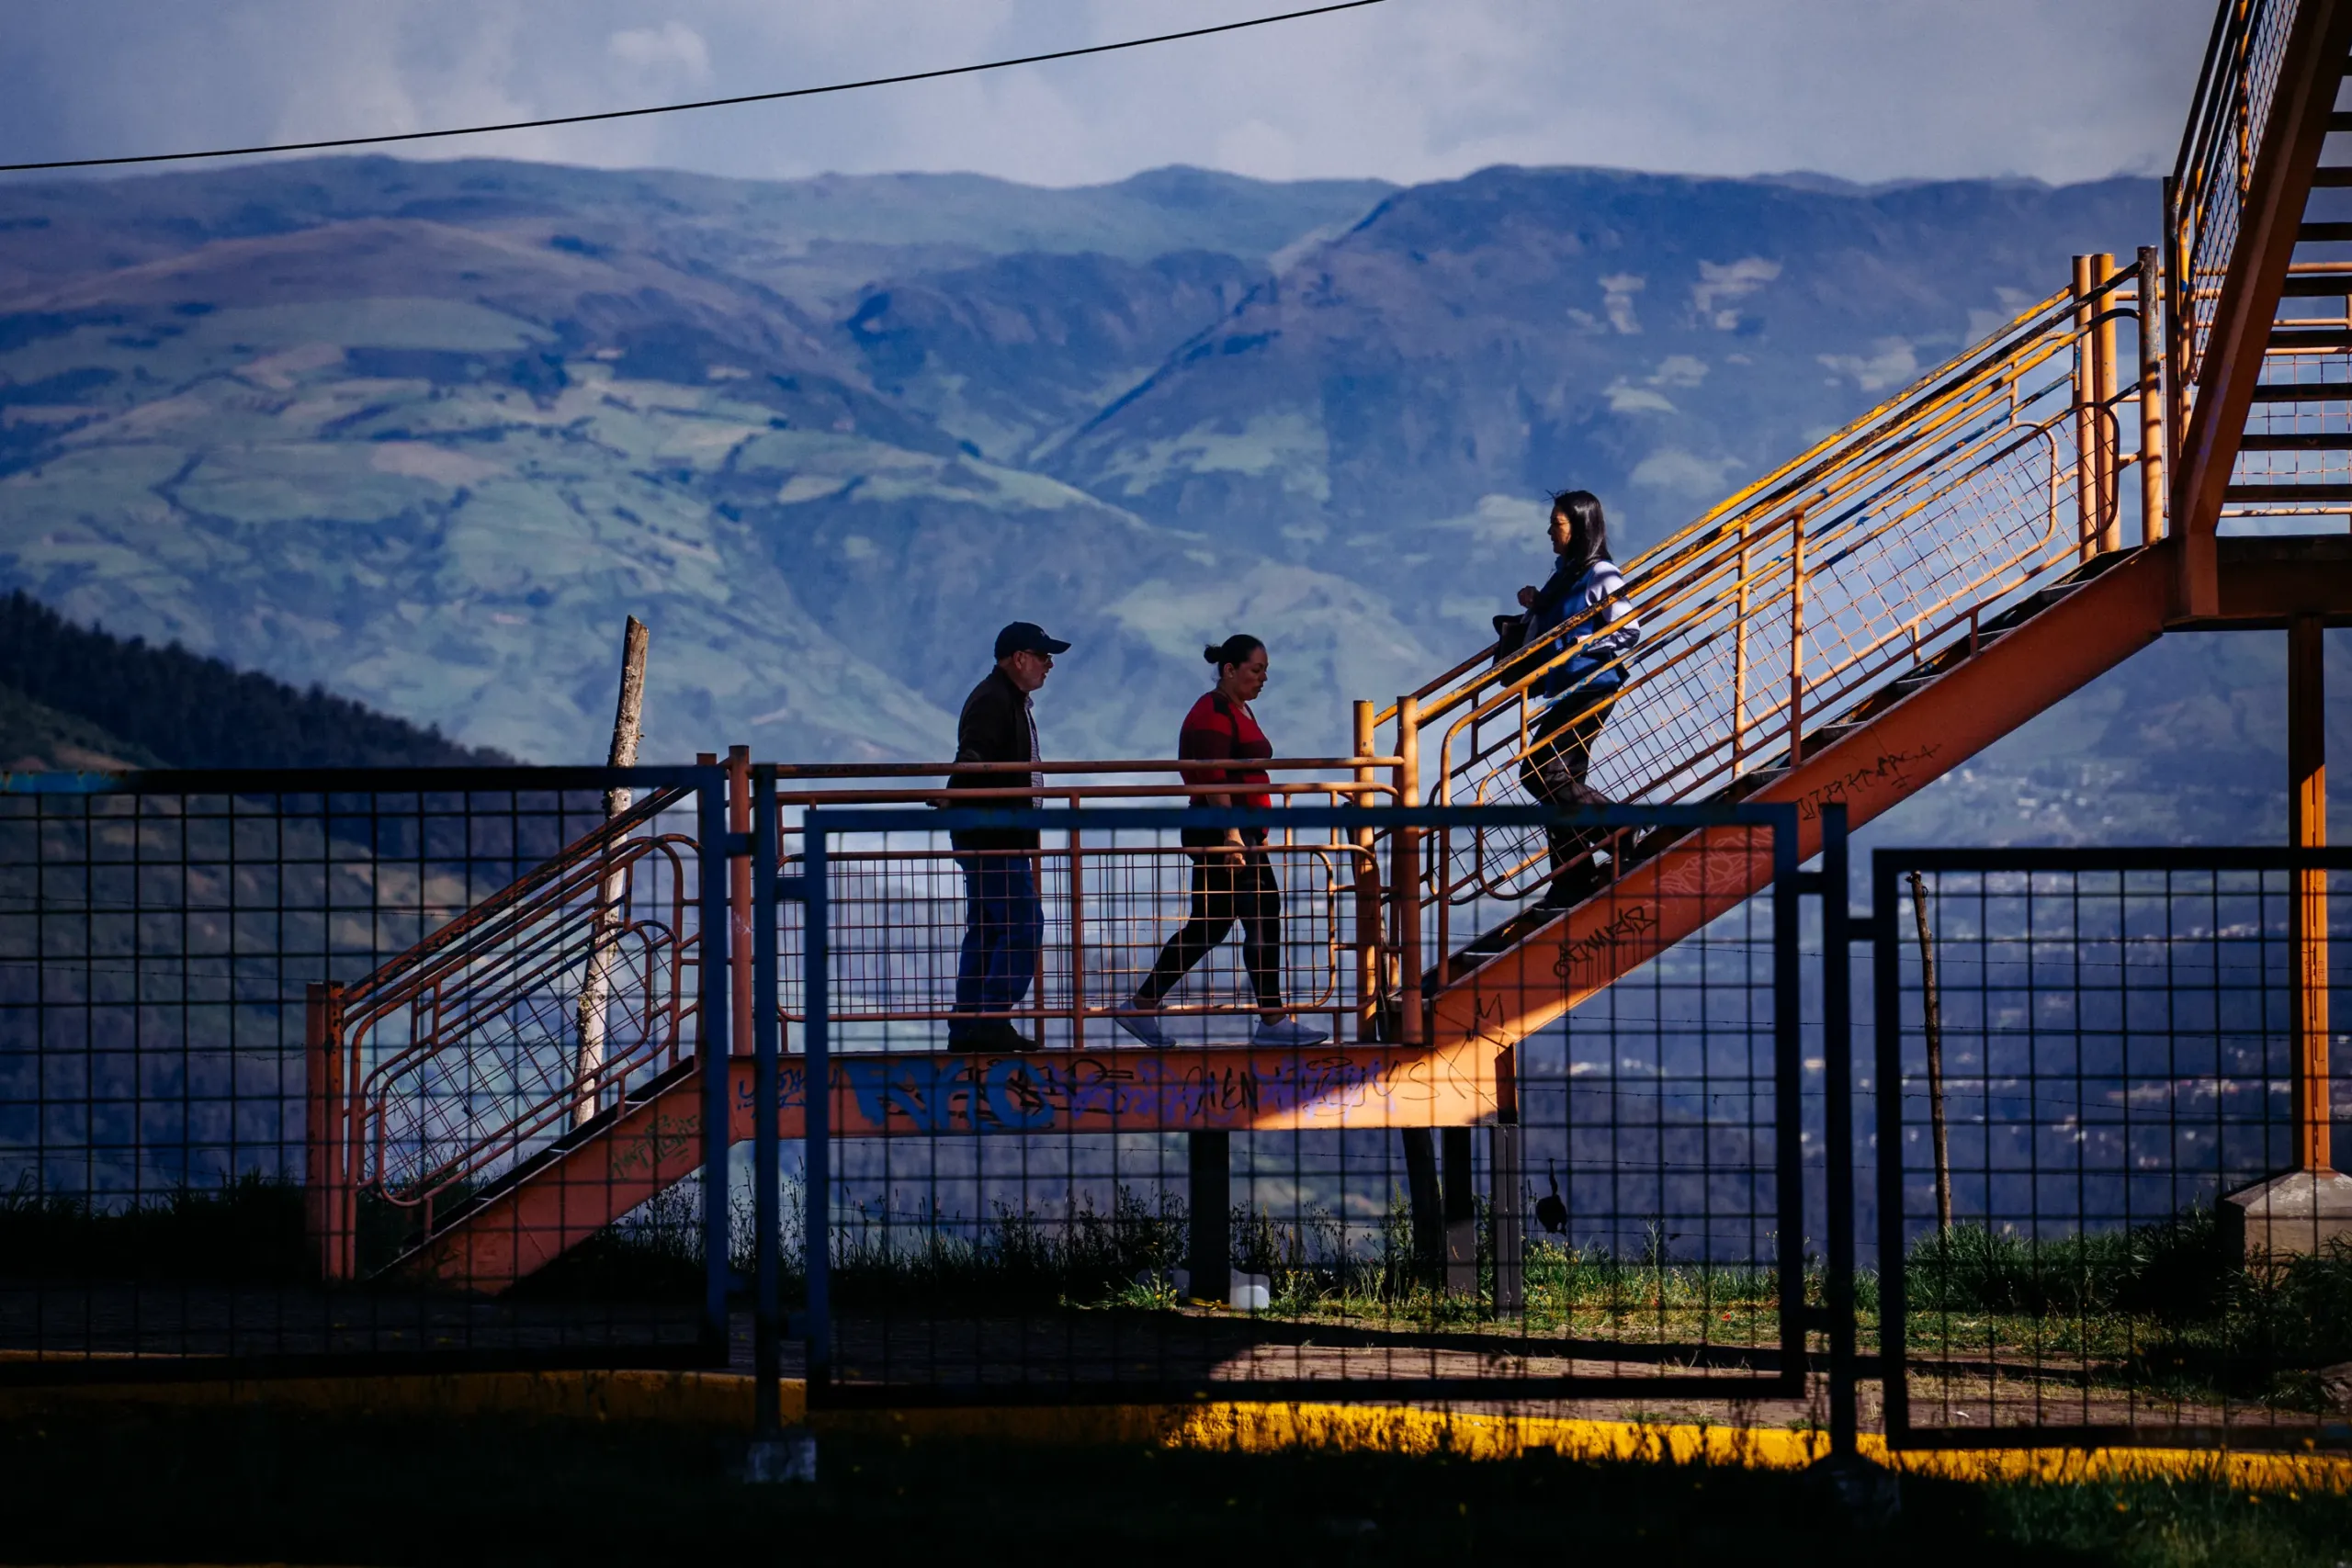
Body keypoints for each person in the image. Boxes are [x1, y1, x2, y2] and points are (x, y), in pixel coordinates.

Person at [1118, 635, 1328, 1048]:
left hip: (1237, 829)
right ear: (1230, 670)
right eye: (1256, 669)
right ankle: (1271, 1020)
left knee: (1211, 925)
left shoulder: (1236, 708)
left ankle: (1142, 1005)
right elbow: (1214, 774)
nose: (1263, 678)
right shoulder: (1211, 712)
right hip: (1222, 829)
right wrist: (1233, 834)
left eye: (1266, 669)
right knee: (1262, 915)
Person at [944, 620, 1069, 1052]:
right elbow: (972, 756)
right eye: (1043, 656)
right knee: (1022, 925)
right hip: (993, 835)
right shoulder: (994, 701)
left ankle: (968, 1028)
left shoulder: (1005, 697)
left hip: (991, 833)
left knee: (989, 929)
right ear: (1019, 658)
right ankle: (991, 1020)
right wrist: (957, 796)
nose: (1049, 665)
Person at [1514, 490, 1641, 902]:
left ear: (1580, 526)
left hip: (1591, 687)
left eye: (1558, 523)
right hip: (1567, 688)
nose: (1550, 530)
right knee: (1562, 785)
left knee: (1538, 771)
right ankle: (1571, 878)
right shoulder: (1564, 574)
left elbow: (1627, 630)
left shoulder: (1601, 573)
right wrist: (1535, 601)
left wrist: (1579, 647)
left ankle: (1616, 826)